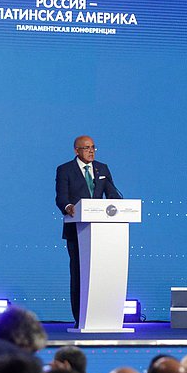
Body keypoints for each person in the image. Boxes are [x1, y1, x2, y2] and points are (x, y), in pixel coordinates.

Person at [54, 135, 122, 326]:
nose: (91, 151)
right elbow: (61, 198)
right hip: (77, 232)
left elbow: (112, 195)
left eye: (93, 147)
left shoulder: (102, 169)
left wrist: (120, 206)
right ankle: (80, 318)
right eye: (86, 148)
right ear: (76, 150)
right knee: (79, 274)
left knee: (101, 274)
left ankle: (103, 316)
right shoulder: (65, 170)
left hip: (102, 234)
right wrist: (68, 207)